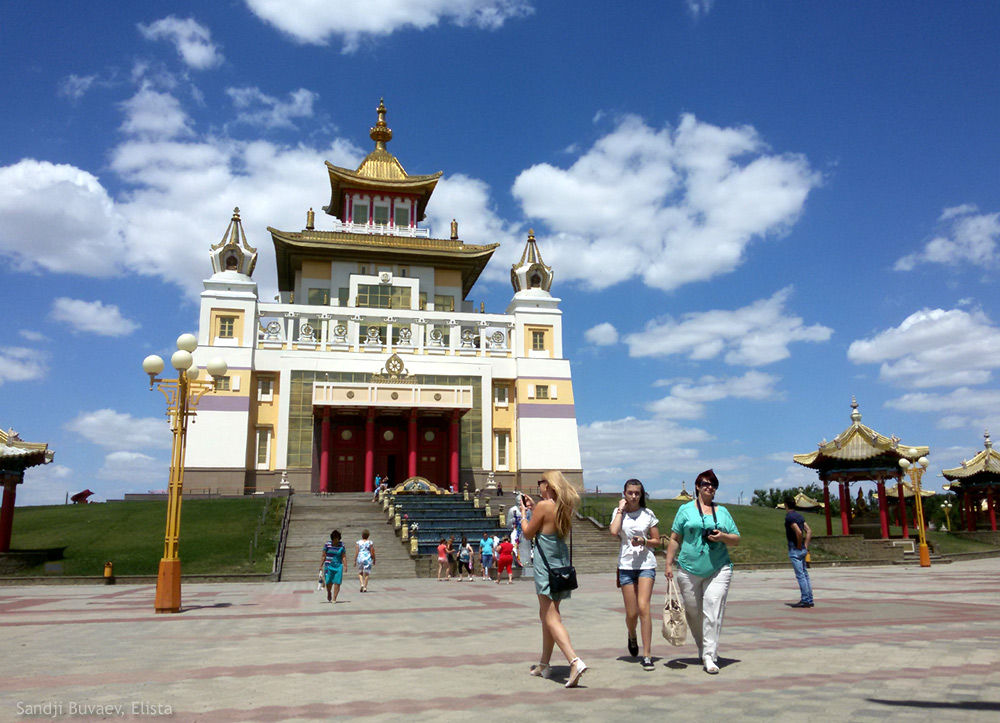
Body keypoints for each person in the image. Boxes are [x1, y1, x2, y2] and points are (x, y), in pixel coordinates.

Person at [665, 469, 740, 675]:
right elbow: (674, 538)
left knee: (712, 609)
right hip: (689, 568)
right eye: (706, 484)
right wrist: (668, 564)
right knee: (693, 612)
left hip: (719, 567)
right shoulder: (685, 510)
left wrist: (722, 536)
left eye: (713, 485)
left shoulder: (723, 511)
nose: (710, 488)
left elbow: (736, 538)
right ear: (697, 486)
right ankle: (703, 646)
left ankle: (709, 655)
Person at [520, 470, 587, 688]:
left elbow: (529, 533)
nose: (539, 486)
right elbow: (547, 520)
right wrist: (534, 506)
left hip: (545, 566)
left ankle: (574, 661)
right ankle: (544, 663)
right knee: (548, 614)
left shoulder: (544, 506)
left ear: (548, 485)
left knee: (550, 617)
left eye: (541, 483)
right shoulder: (563, 506)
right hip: (559, 566)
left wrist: (523, 515)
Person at [609, 478, 660, 671]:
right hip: (626, 566)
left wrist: (644, 541)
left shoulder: (648, 514)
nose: (633, 496)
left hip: (646, 564)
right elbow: (613, 532)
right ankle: (632, 634)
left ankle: (647, 654)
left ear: (642, 494)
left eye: (637, 493)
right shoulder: (618, 513)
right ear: (624, 494)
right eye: (630, 493)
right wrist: (621, 509)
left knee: (643, 608)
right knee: (631, 613)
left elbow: (657, 540)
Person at [784, 495, 814, 608]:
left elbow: (799, 532)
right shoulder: (799, 516)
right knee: (805, 574)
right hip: (802, 549)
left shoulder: (789, 517)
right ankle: (809, 599)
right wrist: (805, 545)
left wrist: (798, 545)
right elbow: (809, 531)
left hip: (795, 549)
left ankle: (805, 600)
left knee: (800, 576)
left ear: (786, 505)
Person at [320, 530, 346, 603]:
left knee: (337, 582)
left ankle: (334, 598)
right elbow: (323, 556)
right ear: (332, 538)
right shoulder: (327, 544)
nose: (336, 540)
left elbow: (343, 556)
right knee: (328, 582)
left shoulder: (342, 545)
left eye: (337, 538)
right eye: (334, 538)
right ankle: (329, 592)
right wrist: (321, 565)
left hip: (338, 566)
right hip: (328, 566)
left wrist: (345, 565)